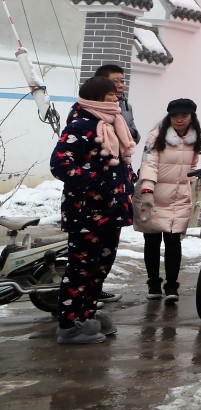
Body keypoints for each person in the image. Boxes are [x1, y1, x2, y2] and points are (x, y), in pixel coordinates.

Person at [50, 75, 135, 344]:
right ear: (98, 97)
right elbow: (60, 164)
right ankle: (69, 325)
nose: (117, 97)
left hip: (111, 210)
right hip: (86, 212)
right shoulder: (81, 125)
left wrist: (127, 183)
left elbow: (117, 163)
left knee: (100, 267)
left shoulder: (111, 123)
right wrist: (98, 183)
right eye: (111, 93)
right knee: (81, 269)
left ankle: (86, 318)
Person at [134, 98, 201, 304]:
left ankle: (172, 286)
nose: (179, 120)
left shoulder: (195, 138)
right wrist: (147, 188)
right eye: (175, 116)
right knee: (152, 240)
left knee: (174, 241)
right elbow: (149, 162)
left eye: (184, 116)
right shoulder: (157, 136)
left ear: (192, 117)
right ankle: (153, 284)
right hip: (153, 193)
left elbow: (191, 165)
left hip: (179, 196)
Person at [94, 63, 140, 145]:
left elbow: (136, 137)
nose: (120, 85)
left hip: (122, 156)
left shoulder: (126, 106)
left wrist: (124, 130)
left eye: (122, 81)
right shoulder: (92, 106)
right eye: (115, 81)